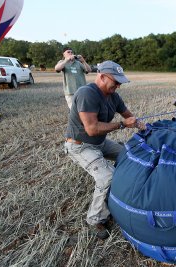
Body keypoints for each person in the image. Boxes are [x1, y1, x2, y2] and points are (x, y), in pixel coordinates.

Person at [64, 60, 144, 239]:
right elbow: (91, 129)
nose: (118, 85)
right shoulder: (87, 93)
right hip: (80, 145)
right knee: (107, 177)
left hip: (99, 142)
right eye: (115, 81)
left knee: (128, 154)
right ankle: (95, 219)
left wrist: (142, 125)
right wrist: (123, 125)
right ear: (101, 76)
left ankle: (119, 197)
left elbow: (128, 115)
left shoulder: (113, 96)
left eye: (120, 82)